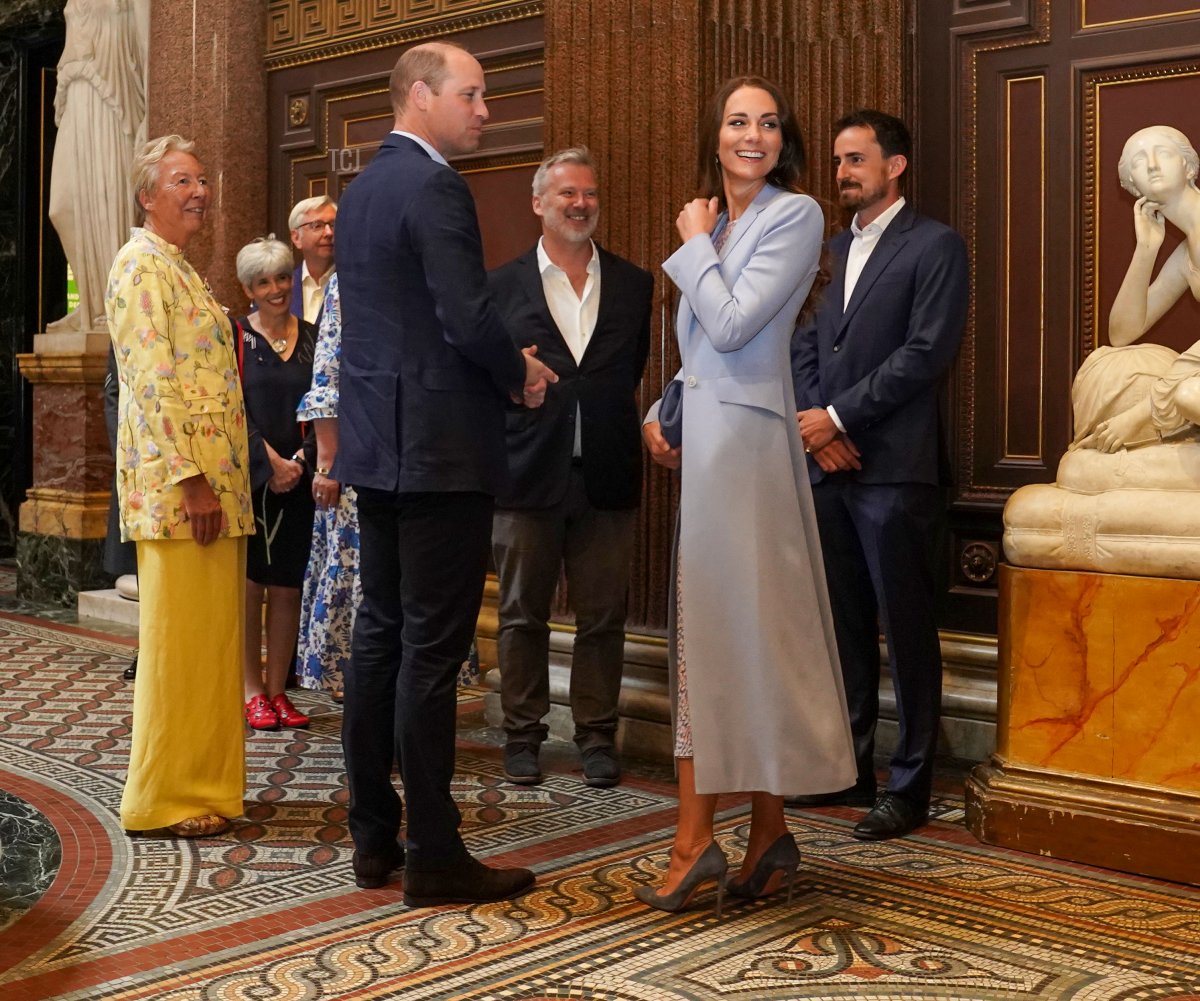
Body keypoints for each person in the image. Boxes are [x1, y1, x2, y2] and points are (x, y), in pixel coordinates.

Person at [334, 40, 557, 904]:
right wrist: (521, 373)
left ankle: (371, 835)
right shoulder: (434, 186)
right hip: (439, 452)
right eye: (473, 94)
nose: (485, 110)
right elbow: (466, 317)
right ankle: (433, 851)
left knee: (379, 640)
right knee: (430, 650)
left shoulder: (360, 191)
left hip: (379, 451)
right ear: (421, 96)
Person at [637, 77, 856, 915]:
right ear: (717, 134)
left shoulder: (793, 216)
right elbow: (704, 351)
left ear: (783, 141)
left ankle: (695, 842)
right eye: (737, 121)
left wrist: (693, 243)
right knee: (734, 635)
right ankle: (767, 835)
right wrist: (663, 409)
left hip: (751, 456)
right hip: (713, 447)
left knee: (719, 636)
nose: (752, 134)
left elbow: (732, 325)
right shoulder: (721, 222)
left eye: (767, 123)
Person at [790, 109, 969, 841]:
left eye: (856, 159)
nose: (842, 172)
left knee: (907, 631)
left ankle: (911, 784)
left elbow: (926, 352)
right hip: (832, 468)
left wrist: (839, 415)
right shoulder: (831, 247)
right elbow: (804, 338)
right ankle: (848, 765)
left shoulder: (936, 245)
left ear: (895, 165)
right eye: (837, 160)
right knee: (844, 631)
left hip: (896, 470)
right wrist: (814, 422)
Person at [488, 147, 652, 789]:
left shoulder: (635, 284)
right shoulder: (499, 288)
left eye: (589, 194)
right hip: (525, 474)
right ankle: (522, 737)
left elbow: (626, 373)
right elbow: (488, 379)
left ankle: (596, 737)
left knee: (603, 617)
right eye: (566, 195)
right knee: (521, 614)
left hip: (607, 476)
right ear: (538, 204)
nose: (581, 204)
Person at [107, 134, 254, 838]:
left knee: (210, 647)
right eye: (181, 180)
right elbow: (151, 382)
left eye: (201, 178)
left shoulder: (180, 268)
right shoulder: (138, 266)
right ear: (147, 195)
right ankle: (162, 797)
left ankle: (208, 785)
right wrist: (192, 481)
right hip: (180, 494)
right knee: (178, 650)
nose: (199, 191)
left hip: (214, 490)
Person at [234, 236, 318, 732]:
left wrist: (303, 461)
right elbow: (229, 407)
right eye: (264, 281)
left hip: (302, 479)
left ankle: (278, 690)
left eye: (283, 277)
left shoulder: (312, 335)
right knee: (250, 588)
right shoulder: (235, 336)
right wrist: (270, 461)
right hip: (251, 478)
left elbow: (328, 400)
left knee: (288, 588)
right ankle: (250, 691)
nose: (276, 288)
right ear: (248, 288)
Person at [1074, 125, 1200, 453]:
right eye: (1139, 161)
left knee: (1188, 396)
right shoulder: (1188, 250)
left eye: (1165, 153)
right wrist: (1145, 249)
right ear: (1133, 186)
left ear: (1188, 167)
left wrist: (1139, 415)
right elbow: (1123, 333)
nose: (1153, 164)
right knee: (1109, 363)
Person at [48, 0, 148, 332]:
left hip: (112, 106)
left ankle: (114, 302)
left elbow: (150, 50)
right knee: (61, 207)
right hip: (76, 100)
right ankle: (92, 299)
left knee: (108, 202)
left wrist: (152, 115)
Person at [295, 273, 360, 703]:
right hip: (359, 461)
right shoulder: (346, 282)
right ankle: (355, 685)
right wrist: (328, 461)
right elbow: (327, 373)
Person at [288, 196, 337, 326]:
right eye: (317, 226)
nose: (328, 233)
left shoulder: (353, 284)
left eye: (333, 225)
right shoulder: (281, 287)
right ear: (296, 237)